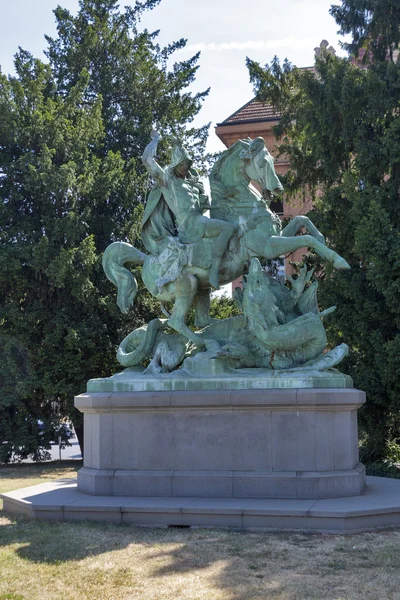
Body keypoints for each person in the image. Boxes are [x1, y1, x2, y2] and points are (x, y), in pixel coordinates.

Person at [141, 130, 235, 288]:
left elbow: (201, 207)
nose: (186, 167)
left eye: (188, 164)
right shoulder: (167, 181)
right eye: (183, 163)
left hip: (199, 220)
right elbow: (147, 159)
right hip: (189, 224)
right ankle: (213, 272)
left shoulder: (191, 184)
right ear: (176, 162)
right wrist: (155, 140)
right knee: (227, 228)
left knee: (229, 226)